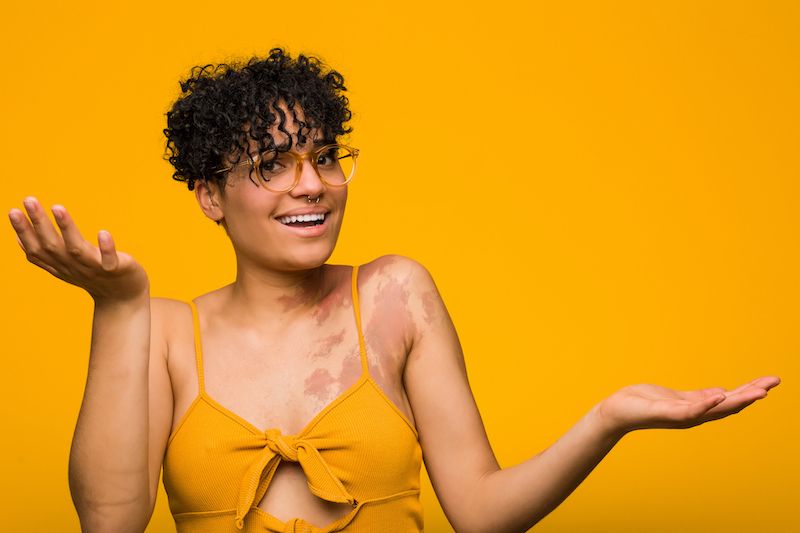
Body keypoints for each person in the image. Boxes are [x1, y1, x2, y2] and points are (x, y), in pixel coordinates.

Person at [8, 48, 781, 533]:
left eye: (324, 156)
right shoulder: (166, 333)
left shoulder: (393, 295)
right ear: (212, 195)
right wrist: (117, 307)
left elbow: (480, 512)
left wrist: (611, 418)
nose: (310, 184)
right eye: (270, 165)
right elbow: (108, 522)